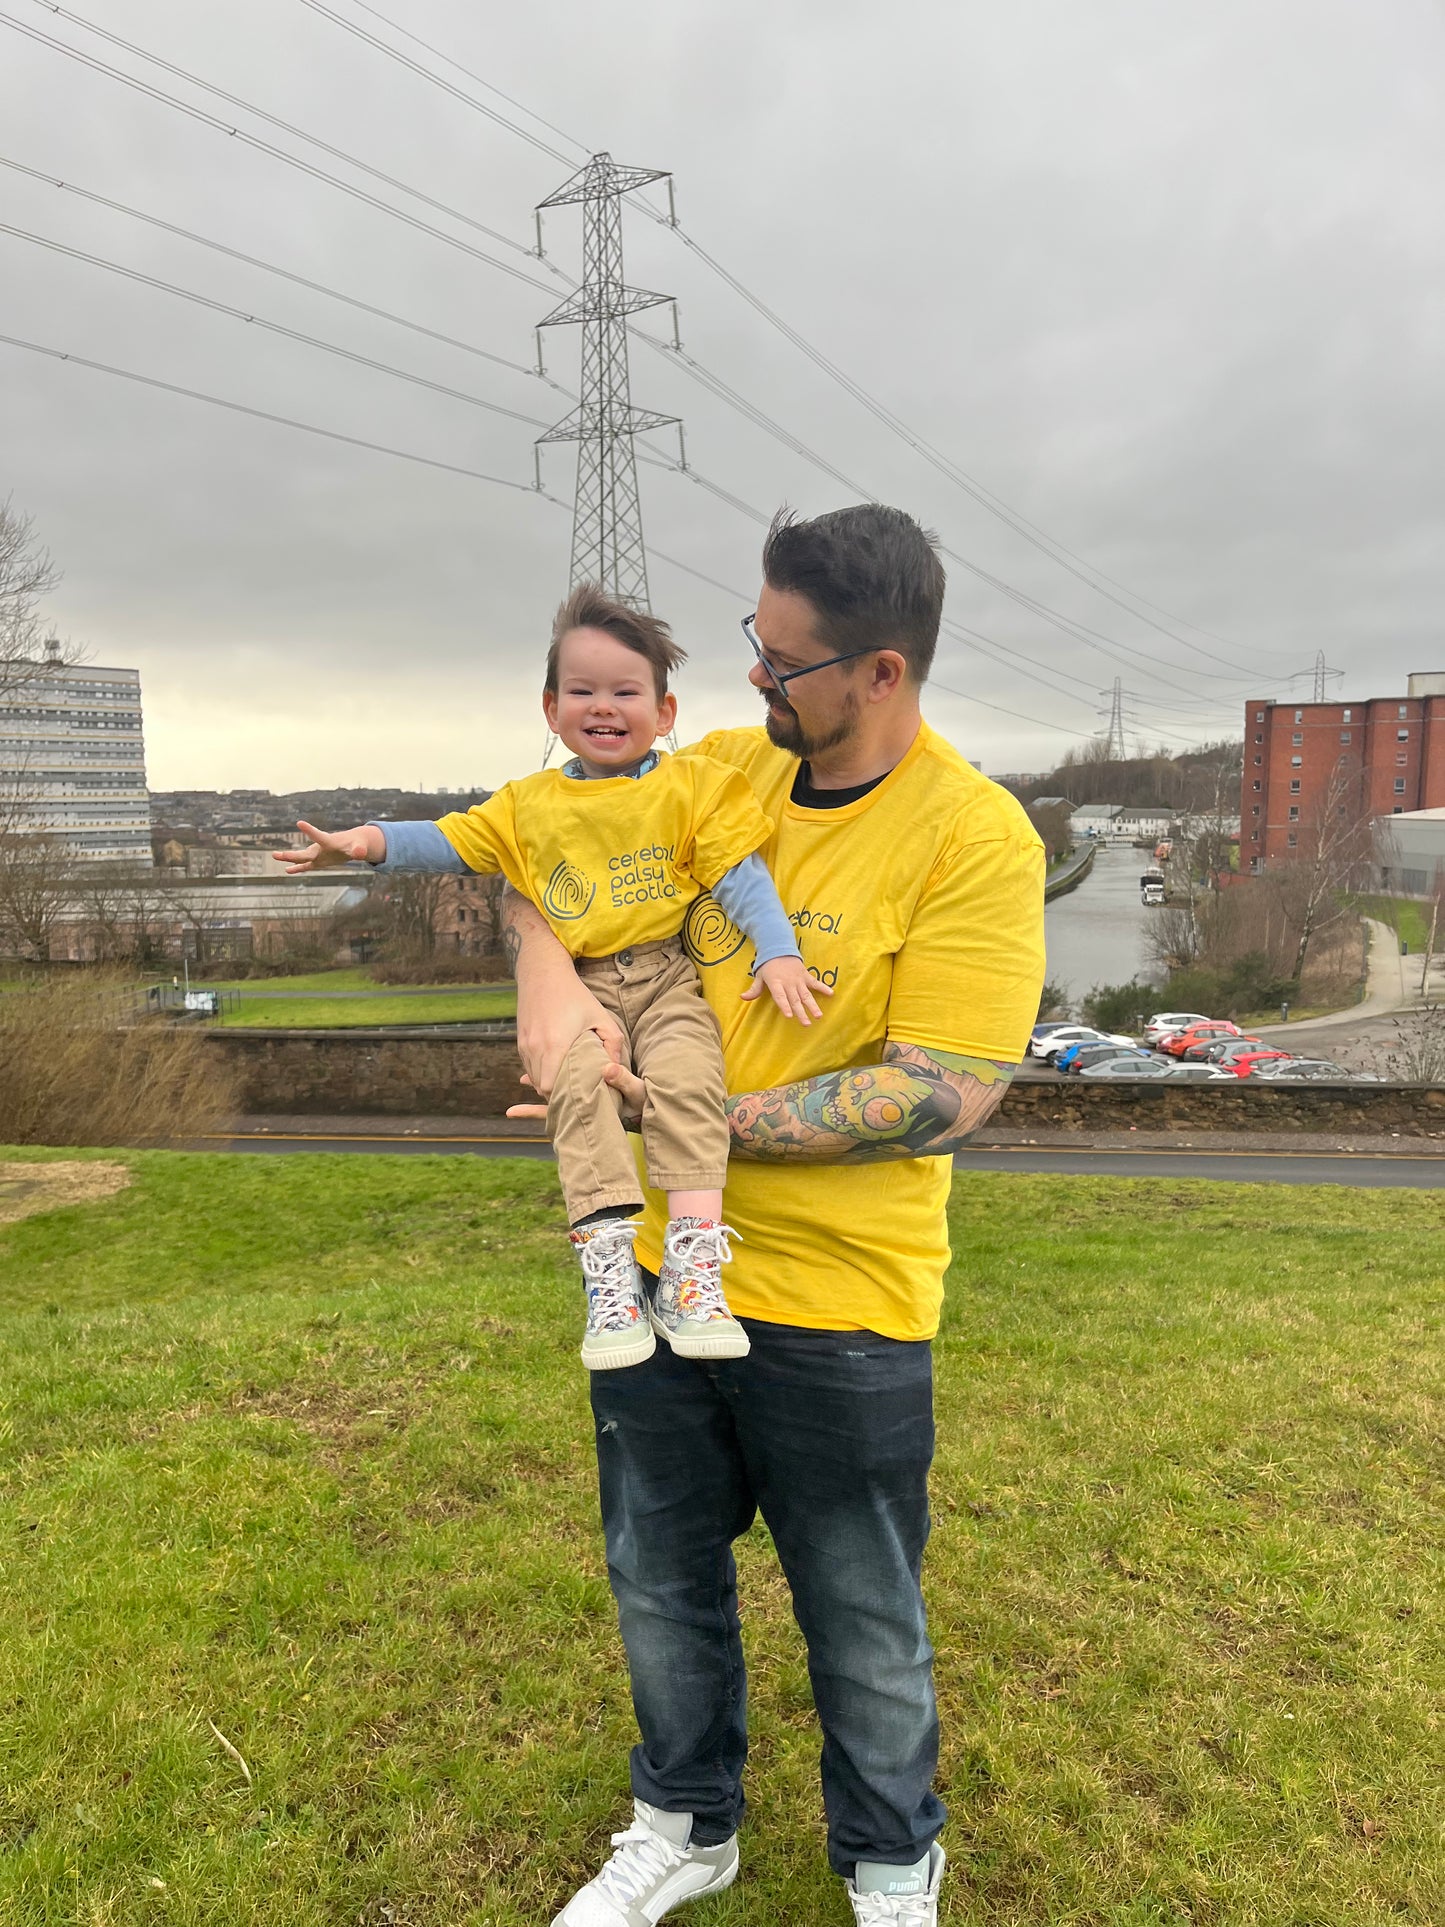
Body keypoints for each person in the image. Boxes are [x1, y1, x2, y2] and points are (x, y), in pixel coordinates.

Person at [505, 506, 1046, 1927]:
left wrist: (687, 1124)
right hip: (652, 1276)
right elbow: (541, 851)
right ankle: (685, 1823)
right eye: (753, 643)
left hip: (846, 1297)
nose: (754, 680)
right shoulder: (722, 770)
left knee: (862, 1615)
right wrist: (545, 980)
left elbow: (943, 1090)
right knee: (659, 1581)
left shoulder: (975, 837)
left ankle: (887, 1862)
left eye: (782, 659)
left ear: (880, 670)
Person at [276, 584, 827, 1372]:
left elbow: (739, 875)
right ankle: (608, 1276)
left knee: (690, 1079)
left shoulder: (691, 788)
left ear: (664, 714)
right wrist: (357, 843)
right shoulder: (528, 805)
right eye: (583, 691)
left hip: (669, 975)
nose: (603, 707)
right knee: (576, 1085)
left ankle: (693, 1271)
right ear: (551, 706)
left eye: (625, 692)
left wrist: (776, 950)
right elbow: (444, 839)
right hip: (583, 979)